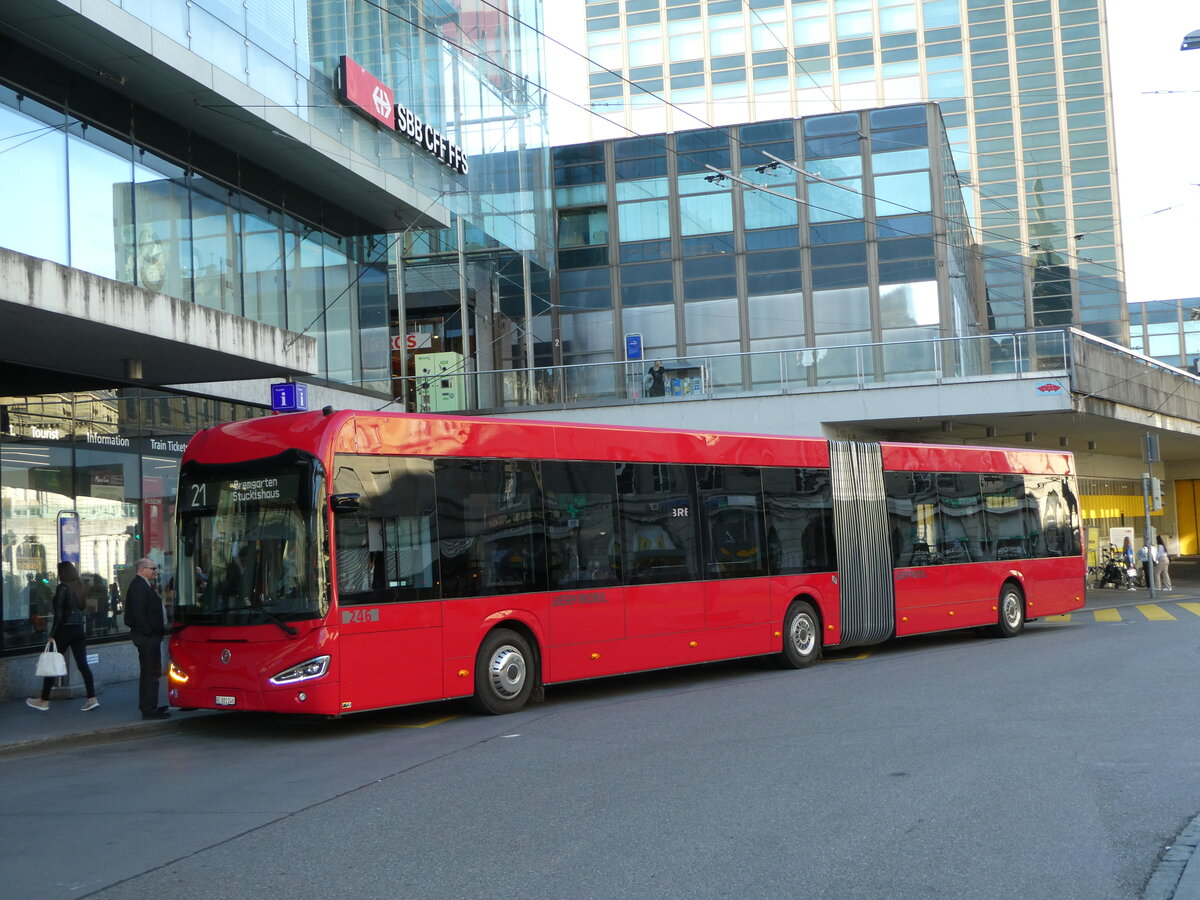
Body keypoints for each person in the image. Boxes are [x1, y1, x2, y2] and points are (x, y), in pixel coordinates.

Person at [26, 561, 98, 712]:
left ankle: (43, 700)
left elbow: (59, 614)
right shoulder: (79, 587)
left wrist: (52, 635)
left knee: (52, 663)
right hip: (78, 628)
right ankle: (92, 698)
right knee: (82, 664)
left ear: (62, 573)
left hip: (65, 630)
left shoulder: (62, 588)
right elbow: (82, 608)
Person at [124, 557, 169, 719]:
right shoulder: (139, 586)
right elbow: (138, 613)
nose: (155, 571)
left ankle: (150, 705)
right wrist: (149, 631)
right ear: (143, 569)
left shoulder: (142, 585)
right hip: (147, 637)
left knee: (150, 672)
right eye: (153, 568)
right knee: (151, 672)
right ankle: (149, 708)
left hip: (148, 636)